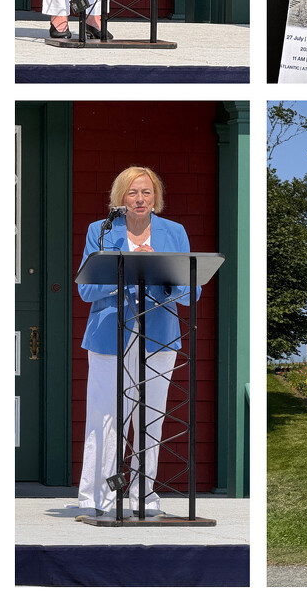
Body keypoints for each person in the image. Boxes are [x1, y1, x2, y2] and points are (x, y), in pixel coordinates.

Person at [77, 166, 197, 517]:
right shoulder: (100, 231)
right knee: (105, 418)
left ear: (156, 197)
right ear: (120, 198)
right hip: (108, 337)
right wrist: (129, 267)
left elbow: (191, 290)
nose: (140, 199)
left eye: (146, 192)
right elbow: (86, 288)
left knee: (151, 418)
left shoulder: (174, 232)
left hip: (159, 338)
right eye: (132, 193)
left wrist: (157, 270)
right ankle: (97, 498)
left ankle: (143, 495)